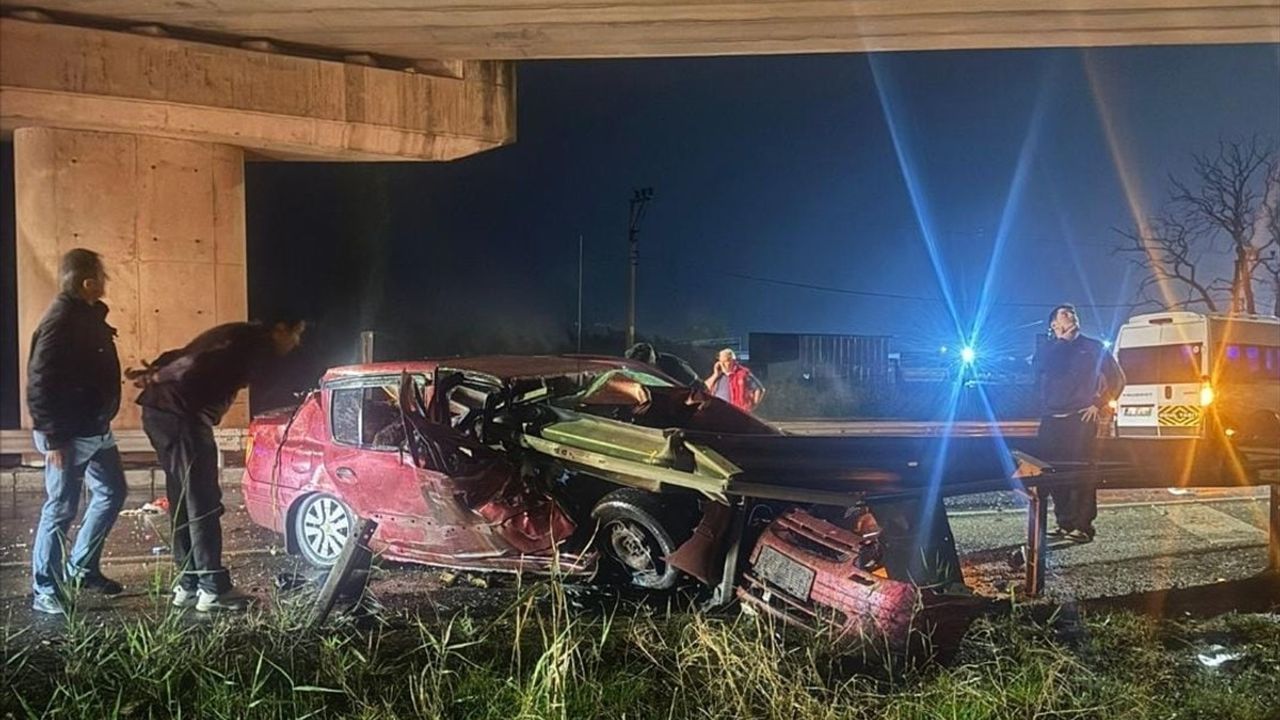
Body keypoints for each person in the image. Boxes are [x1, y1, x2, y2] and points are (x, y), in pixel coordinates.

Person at [127, 319, 306, 612]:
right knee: (202, 500)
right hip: (181, 415)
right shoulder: (248, 341)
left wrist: (156, 373)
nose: (296, 343)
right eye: (297, 333)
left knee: (184, 498)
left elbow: (188, 355)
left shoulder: (239, 336)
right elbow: (192, 359)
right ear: (280, 328)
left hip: (166, 413)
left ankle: (189, 583)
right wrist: (158, 377)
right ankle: (212, 587)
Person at [27, 249, 127, 615]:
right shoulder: (60, 320)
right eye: (102, 277)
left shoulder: (86, 315)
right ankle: (45, 588)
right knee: (60, 508)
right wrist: (53, 437)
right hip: (68, 434)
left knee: (112, 491)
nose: (106, 283)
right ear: (88, 283)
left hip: (95, 428)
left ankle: (82, 569)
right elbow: (39, 381)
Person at [1032, 304, 1125, 543]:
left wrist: (1098, 402)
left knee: (1082, 473)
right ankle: (1064, 522)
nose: (1071, 316)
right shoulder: (1048, 348)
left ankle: (1083, 526)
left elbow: (1117, 379)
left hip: (1080, 419)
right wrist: (1062, 342)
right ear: (1054, 324)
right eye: (1064, 314)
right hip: (1052, 420)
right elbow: (1040, 368)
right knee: (1054, 473)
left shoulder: (1092, 347)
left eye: (1072, 313)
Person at [703, 348, 765, 412]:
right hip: (719, 413)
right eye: (721, 361)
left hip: (738, 413)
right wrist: (715, 375)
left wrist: (752, 406)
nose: (723, 364)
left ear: (733, 361)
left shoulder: (743, 373)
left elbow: (759, 389)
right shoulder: (718, 375)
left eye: (726, 361)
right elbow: (704, 388)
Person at [623, 342, 702, 387]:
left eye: (645, 369)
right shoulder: (627, 370)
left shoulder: (675, 365)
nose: (643, 374)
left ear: (653, 362)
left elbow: (698, 388)